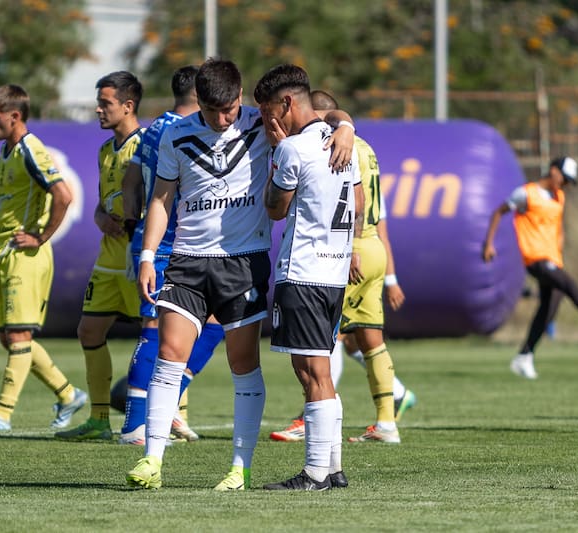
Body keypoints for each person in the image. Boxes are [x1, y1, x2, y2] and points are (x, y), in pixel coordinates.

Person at [125, 58, 355, 491]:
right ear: (201, 102)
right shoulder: (177, 133)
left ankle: (239, 467)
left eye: (230, 108)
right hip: (188, 259)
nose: (224, 118)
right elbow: (161, 198)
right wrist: (147, 254)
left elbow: (325, 114)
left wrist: (347, 128)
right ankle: (151, 461)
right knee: (169, 353)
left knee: (243, 365)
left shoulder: (263, 122)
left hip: (243, 262)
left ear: (238, 99)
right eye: (215, 111)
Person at [269, 90, 416, 444]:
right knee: (366, 339)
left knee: (326, 338)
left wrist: (349, 247)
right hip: (374, 247)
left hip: (352, 248)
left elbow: (357, 201)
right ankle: (387, 418)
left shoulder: (337, 146)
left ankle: (311, 416)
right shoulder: (365, 146)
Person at [254, 65, 362, 491]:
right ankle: (332, 467)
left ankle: (315, 472)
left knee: (310, 372)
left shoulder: (293, 149)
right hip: (333, 271)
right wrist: (346, 123)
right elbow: (355, 195)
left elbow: (275, 208)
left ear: (286, 104)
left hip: (304, 272)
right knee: (321, 373)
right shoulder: (341, 141)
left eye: (267, 112)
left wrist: (276, 155)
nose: (266, 122)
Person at [0, 84, 86, 431]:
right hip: (5, 252)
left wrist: (40, 236)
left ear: (14, 116)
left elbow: (63, 195)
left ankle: (2, 414)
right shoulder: (8, 150)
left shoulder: (31, 149)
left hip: (26, 255)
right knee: (10, 339)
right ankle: (68, 395)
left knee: (19, 335)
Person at [118, 65, 225, 445]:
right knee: (154, 330)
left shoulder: (149, 131)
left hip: (177, 243)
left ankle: (168, 403)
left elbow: (130, 183)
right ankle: (134, 423)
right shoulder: (180, 131)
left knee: (213, 322)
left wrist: (133, 220)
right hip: (167, 245)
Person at [55, 71, 144, 441]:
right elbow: (98, 204)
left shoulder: (147, 145)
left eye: (105, 103)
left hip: (141, 257)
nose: (98, 109)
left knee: (158, 335)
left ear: (128, 105)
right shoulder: (105, 150)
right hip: (108, 259)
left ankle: (172, 416)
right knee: (89, 330)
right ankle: (98, 419)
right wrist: (101, 219)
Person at [483, 156, 578, 379]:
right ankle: (525, 355)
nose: (566, 185)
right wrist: (489, 243)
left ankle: (524, 355)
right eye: (565, 179)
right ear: (553, 171)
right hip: (535, 258)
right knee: (569, 286)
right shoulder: (526, 193)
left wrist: (560, 240)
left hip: (552, 258)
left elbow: (556, 225)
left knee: (552, 302)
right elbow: (498, 212)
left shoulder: (559, 197)